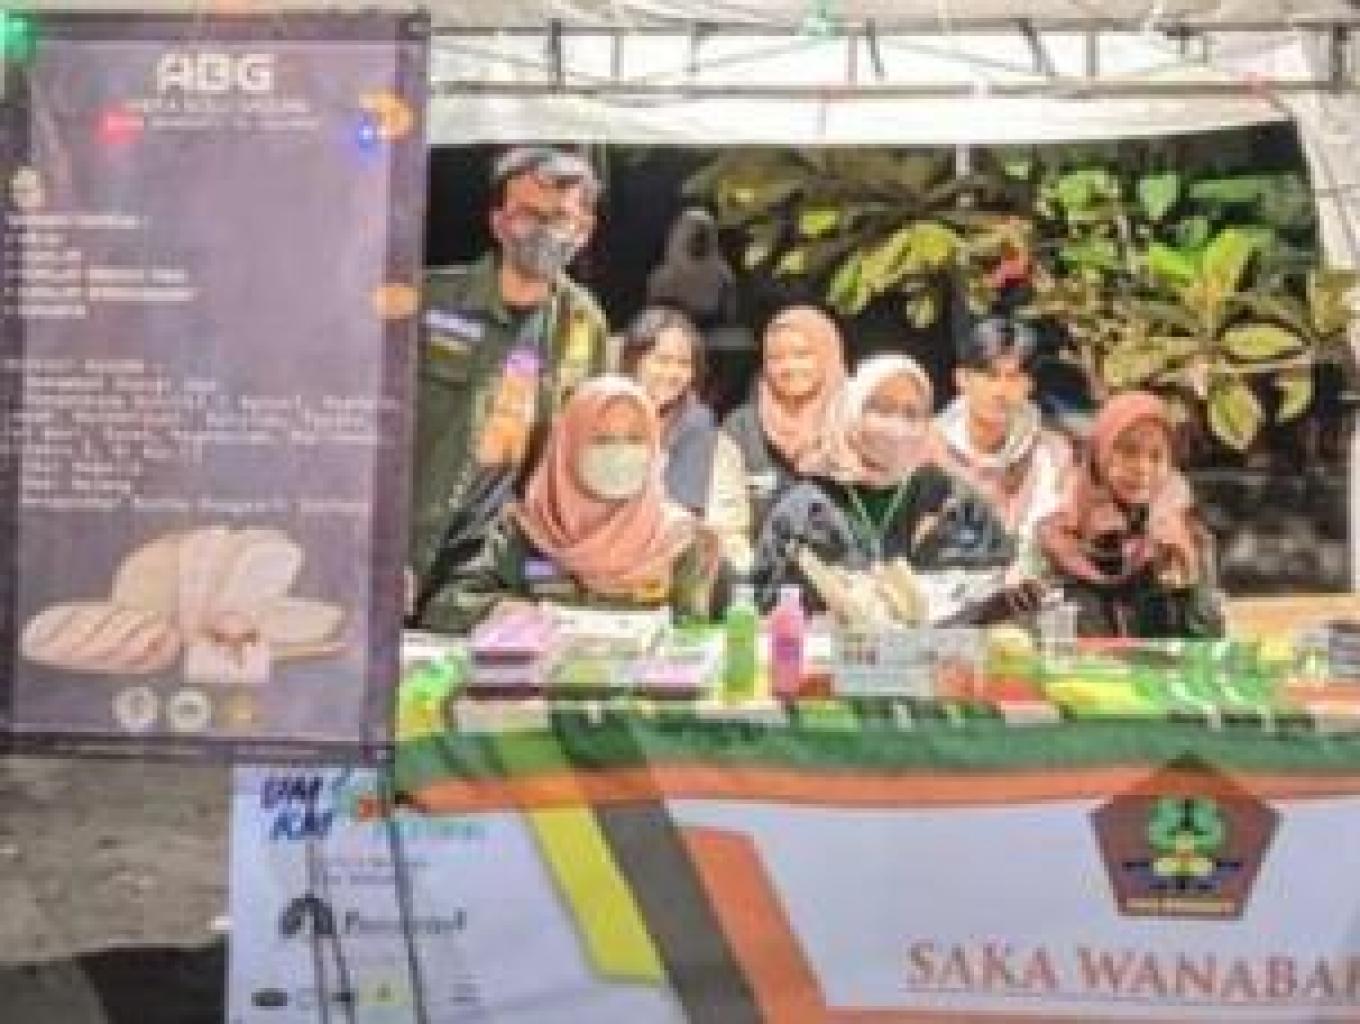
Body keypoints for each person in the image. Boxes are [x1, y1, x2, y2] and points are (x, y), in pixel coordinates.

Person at [410, 147, 609, 626]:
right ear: (498, 222)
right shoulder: (429, 302)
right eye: (528, 215)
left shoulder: (584, 324)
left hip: (495, 548)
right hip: (408, 531)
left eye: (560, 218)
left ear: (584, 230)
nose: (543, 232)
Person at [418, 377, 722, 633]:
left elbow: (695, 638)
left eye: (635, 439)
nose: (620, 453)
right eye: (602, 440)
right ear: (568, 447)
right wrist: (513, 612)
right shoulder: (526, 529)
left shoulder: (680, 541)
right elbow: (444, 608)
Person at [753, 354, 1035, 623]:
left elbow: (997, 578)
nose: (897, 425)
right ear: (851, 410)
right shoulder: (806, 507)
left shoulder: (950, 496)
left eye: (912, 413)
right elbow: (765, 602)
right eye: (882, 409)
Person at [1038, 391, 1223, 639]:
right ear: (1100, 453)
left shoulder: (1191, 538)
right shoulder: (1057, 538)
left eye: (1157, 456)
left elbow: (1209, 643)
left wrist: (1190, 579)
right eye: (1128, 452)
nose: (1142, 469)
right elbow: (1042, 634)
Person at [709, 306, 847, 575]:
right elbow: (725, 523)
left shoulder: (854, 420)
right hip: (762, 577)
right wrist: (757, 577)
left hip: (850, 581)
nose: (789, 367)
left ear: (828, 355)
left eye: (803, 354)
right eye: (776, 358)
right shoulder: (740, 427)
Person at [935, 316, 1072, 571]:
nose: (1000, 391)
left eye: (1013, 377)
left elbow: (1061, 533)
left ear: (1029, 384)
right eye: (990, 376)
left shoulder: (1052, 452)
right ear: (962, 378)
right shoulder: (928, 450)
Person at [620, 306, 718, 514]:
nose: (672, 373)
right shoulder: (604, 406)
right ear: (634, 359)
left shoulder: (694, 420)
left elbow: (681, 507)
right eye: (662, 360)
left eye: (684, 364)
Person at [645, 207, 737, 329]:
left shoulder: (723, 276)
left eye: (703, 238)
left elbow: (729, 318)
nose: (699, 244)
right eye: (696, 238)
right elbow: (653, 318)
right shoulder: (662, 279)